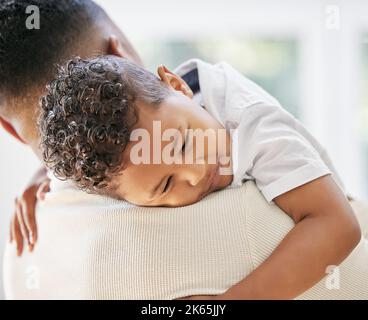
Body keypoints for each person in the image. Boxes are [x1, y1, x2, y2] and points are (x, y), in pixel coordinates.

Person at [0, 0, 363, 300]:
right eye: (165, 185)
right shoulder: (140, 139)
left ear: (177, 84)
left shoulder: (251, 122)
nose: (195, 172)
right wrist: (45, 174)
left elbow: (338, 225)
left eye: (185, 142)